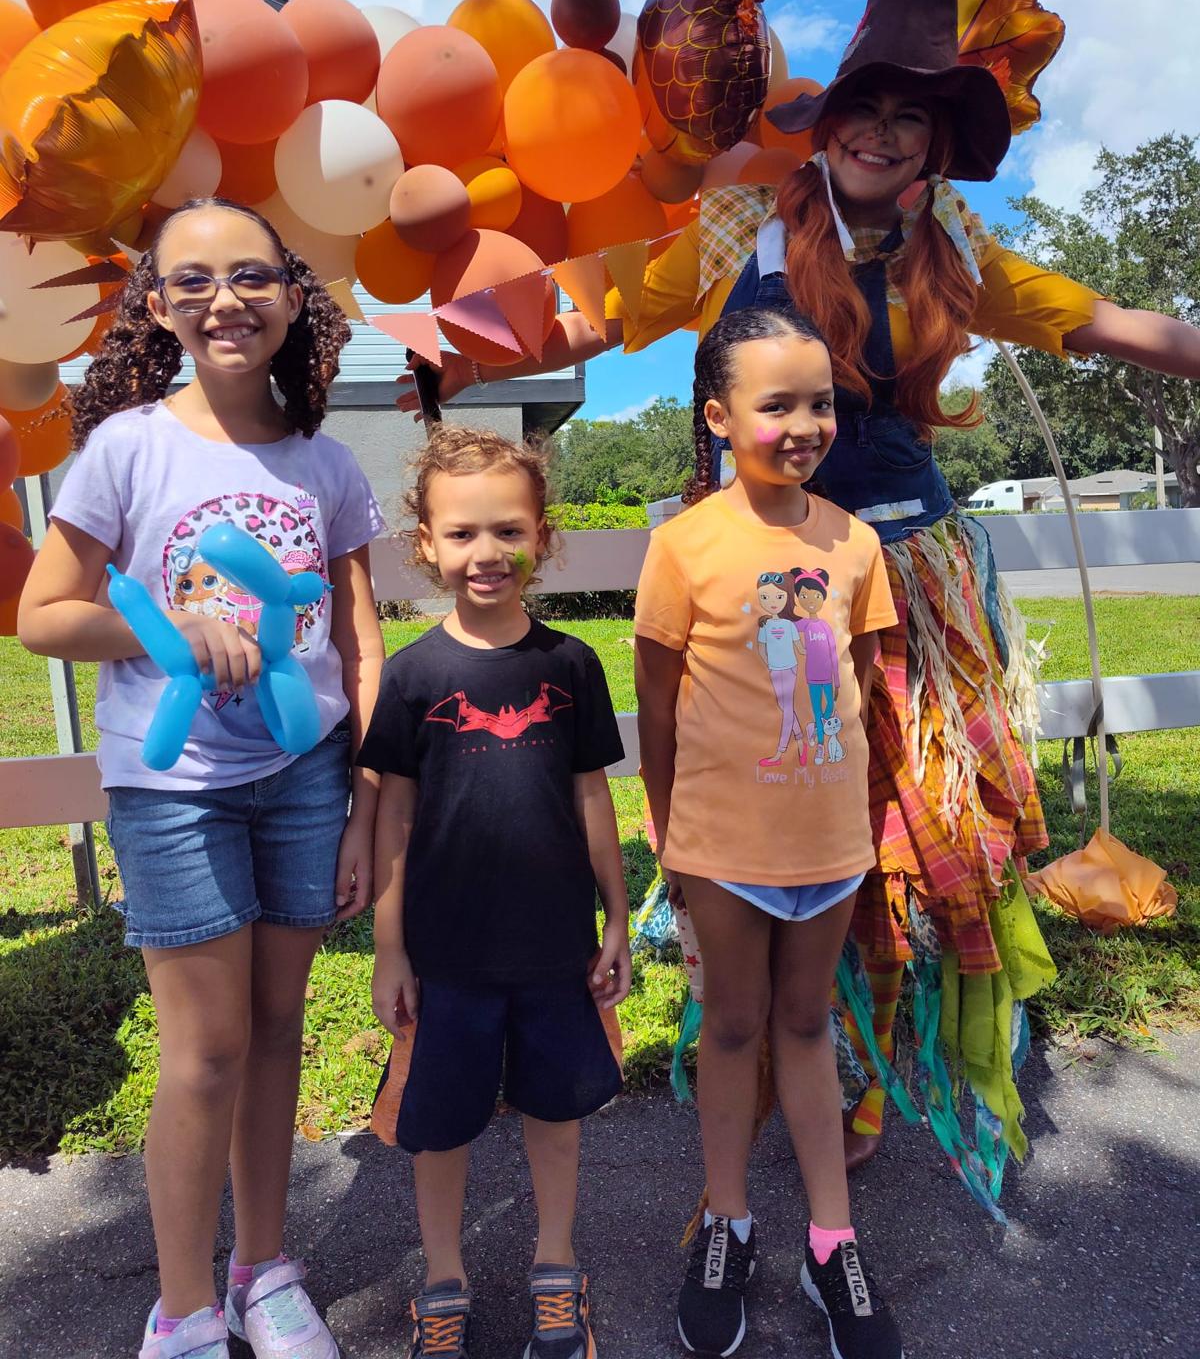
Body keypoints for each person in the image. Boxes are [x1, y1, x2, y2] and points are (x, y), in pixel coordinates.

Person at [398, 0, 1200, 1205]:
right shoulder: (735, 231)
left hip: (918, 585)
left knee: (906, 839)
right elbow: (597, 308)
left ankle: (871, 1065)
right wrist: (449, 356)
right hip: (770, 588)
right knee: (786, 818)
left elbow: (1111, 322)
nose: (884, 136)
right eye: (865, 111)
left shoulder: (957, 254)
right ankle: (771, 1042)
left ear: (940, 144)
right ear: (829, 128)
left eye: (911, 119)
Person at [19, 198, 387, 1359]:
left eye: (249, 276)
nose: (224, 299)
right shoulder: (125, 447)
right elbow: (43, 615)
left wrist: (371, 801)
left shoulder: (327, 464)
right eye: (192, 282)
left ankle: (263, 1270)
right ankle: (181, 1309)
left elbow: (363, 640)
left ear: (291, 292)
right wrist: (165, 628)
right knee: (207, 1049)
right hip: (172, 787)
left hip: (308, 773)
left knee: (277, 1027)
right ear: (159, 307)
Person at [636, 304, 902, 1358]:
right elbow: (657, 702)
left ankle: (831, 1241)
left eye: (822, 401)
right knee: (734, 1029)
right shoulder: (683, 545)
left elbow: (865, 689)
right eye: (775, 402)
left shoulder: (857, 540)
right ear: (719, 415)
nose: (803, 422)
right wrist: (670, 827)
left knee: (808, 1027)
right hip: (722, 851)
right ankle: (728, 1220)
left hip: (831, 846)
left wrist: (854, 814)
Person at [360, 427, 631, 1359]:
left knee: (557, 1117)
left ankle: (557, 1273)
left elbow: (593, 794)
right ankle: (443, 1283)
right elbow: (392, 820)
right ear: (426, 544)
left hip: (555, 946)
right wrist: (391, 949)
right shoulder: (411, 675)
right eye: (464, 534)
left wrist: (620, 916)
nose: (488, 554)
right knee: (440, 1130)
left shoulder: (570, 666)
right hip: (446, 957)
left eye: (508, 532)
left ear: (543, 538)